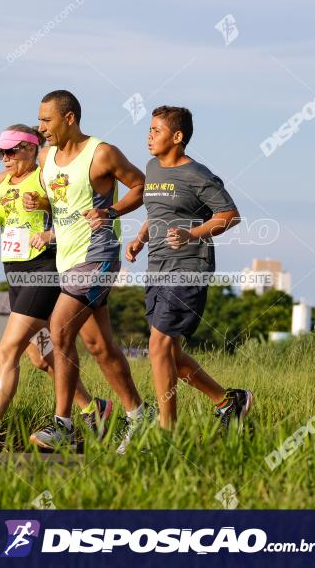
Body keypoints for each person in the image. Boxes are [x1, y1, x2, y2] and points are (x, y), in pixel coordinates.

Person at [0, 125, 111, 445]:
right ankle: (93, 410)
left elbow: (74, 214)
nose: (5, 158)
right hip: (15, 271)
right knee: (40, 358)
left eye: (11, 151)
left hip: (44, 268)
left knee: (6, 349)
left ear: (31, 149)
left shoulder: (45, 177)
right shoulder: (1, 181)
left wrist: (45, 210)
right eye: (1, 152)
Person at [26, 90, 150, 452]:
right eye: (39, 119)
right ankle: (139, 417)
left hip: (99, 256)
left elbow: (141, 186)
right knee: (100, 346)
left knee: (59, 331)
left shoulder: (101, 153)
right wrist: (43, 201)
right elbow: (66, 200)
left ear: (69, 118)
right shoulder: (47, 158)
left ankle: (63, 424)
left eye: (46, 120)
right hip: (67, 258)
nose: (41, 127)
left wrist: (112, 211)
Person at [124, 105, 251, 431]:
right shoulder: (152, 168)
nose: (149, 136)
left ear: (177, 137)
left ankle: (168, 430)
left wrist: (191, 233)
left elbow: (229, 215)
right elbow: (156, 209)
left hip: (190, 266)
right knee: (168, 354)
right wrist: (140, 237)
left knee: (158, 347)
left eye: (156, 131)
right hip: (157, 266)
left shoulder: (198, 175)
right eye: (149, 130)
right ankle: (228, 402)